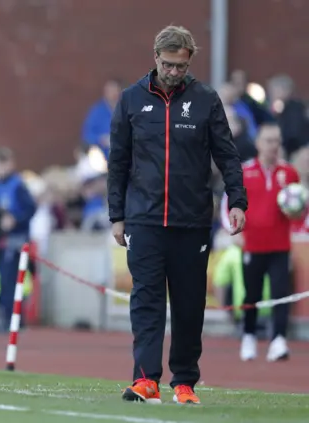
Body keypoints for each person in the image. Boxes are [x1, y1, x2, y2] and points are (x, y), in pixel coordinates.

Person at [107, 25, 247, 405]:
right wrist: (116, 215)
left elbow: (227, 155)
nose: (173, 72)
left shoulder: (205, 100)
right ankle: (145, 379)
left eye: (180, 66)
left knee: (188, 305)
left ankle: (184, 381)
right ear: (155, 58)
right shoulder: (131, 100)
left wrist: (237, 201)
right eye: (168, 65)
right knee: (147, 300)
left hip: (192, 221)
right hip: (144, 220)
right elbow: (118, 161)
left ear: (190, 62)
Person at [220, 123, 300, 362]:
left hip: (280, 246)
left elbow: (298, 208)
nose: (273, 146)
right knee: (251, 295)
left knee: (280, 294)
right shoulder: (245, 172)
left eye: (276, 141)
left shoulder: (289, 173)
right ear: (258, 143)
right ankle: (249, 336)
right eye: (268, 140)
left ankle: (278, 339)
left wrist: (297, 214)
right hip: (252, 245)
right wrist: (234, 231)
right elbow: (227, 205)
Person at [0, 147, 37, 332]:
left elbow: (31, 209)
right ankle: (7, 317)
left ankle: (13, 320)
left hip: (16, 240)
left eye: (0, 164)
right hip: (1, 240)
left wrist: (15, 219)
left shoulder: (18, 185)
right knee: (2, 280)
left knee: (11, 280)